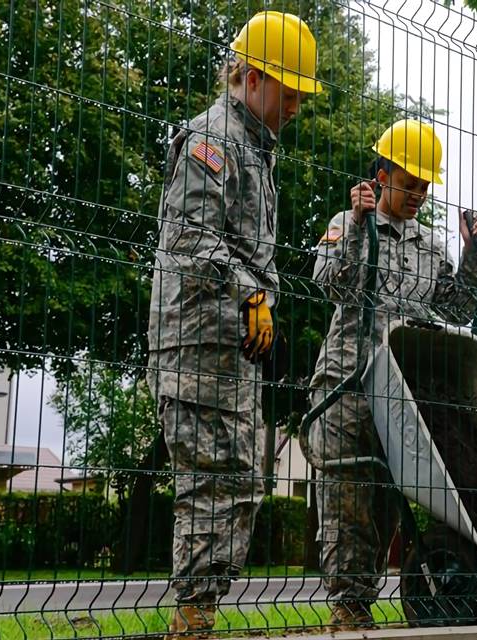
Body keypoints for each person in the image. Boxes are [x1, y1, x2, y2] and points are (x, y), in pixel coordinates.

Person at [146, 11, 322, 637]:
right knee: (210, 485)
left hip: (232, 349)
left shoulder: (255, 148)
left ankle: (201, 615)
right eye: (291, 89)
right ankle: (191, 622)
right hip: (195, 344)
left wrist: (256, 299)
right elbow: (191, 235)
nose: (299, 102)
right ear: (251, 78)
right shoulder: (211, 142)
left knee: (245, 482)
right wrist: (251, 292)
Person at [305, 119, 477, 629]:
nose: (419, 195)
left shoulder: (430, 247)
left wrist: (474, 257)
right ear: (383, 174)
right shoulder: (348, 221)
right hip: (348, 384)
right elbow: (330, 284)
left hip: (402, 391)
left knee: (387, 501)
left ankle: (363, 604)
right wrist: (359, 231)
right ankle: (348, 610)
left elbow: (455, 309)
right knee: (347, 503)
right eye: (411, 183)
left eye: (426, 186)